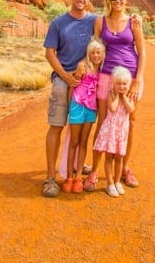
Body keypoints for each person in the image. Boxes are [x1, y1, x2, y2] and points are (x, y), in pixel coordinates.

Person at [84, 0, 146, 192]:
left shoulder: (134, 22)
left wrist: (138, 79)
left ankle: (125, 168)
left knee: (130, 122)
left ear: (126, 0)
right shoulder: (101, 22)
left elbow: (142, 52)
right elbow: (96, 48)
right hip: (106, 76)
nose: (118, 1)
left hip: (129, 78)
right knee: (103, 122)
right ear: (109, 0)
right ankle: (94, 171)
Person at [42, 0, 97, 198]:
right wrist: (65, 76)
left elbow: (112, 26)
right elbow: (50, 53)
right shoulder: (58, 23)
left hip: (86, 84)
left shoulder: (94, 21)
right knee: (56, 125)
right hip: (63, 81)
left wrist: (136, 21)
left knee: (81, 130)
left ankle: (75, 165)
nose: (81, 0)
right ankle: (50, 177)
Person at [61, 38, 104, 194]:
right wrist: (69, 107)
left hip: (91, 109)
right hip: (77, 106)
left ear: (103, 54)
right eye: (93, 52)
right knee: (74, 141)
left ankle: (79, 177)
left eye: (98, 52)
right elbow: (73, 85)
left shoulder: (102, 70)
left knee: (84, 142)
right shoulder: (83, 66)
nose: (96, 55)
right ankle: (69, 177)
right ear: (89, 53)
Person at [92, 66, 135, 197]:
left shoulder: (129, 97)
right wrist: (117, 96)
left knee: (119, 158)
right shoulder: (111, 94)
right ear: (113, 84)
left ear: (129, 84)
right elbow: (113, 108)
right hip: (111, 131)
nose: (121, 87)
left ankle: (117, 182)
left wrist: (124, 97)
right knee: (109, 157)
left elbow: (130, 110)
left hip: (121, 132)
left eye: (124, 84)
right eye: (118, 84)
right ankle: (110, 184)